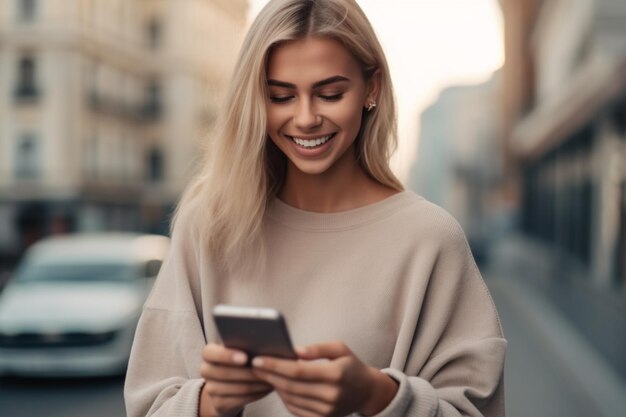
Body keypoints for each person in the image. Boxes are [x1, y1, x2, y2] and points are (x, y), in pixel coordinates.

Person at [124, 0, 507, 416]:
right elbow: (149, 403)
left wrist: (378, 396)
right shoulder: (211, 224)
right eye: (281, 96)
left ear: (371, 88)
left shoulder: (431, 238)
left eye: (330, 94)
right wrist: (213, 402)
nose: (305, 118)